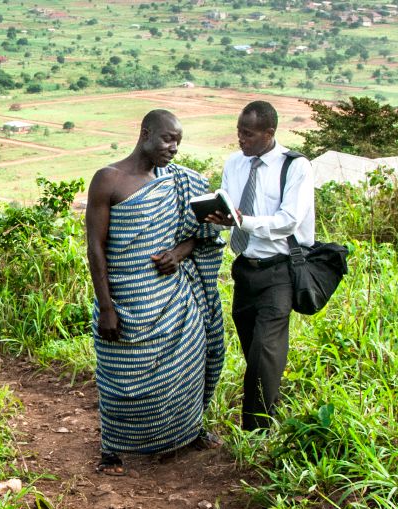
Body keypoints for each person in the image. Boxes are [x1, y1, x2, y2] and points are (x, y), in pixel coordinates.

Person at [84, 110, 226, 476]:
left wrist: (179, 253)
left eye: (178, 141)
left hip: (173, 299)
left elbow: (203, 234)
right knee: (120, 378)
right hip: (126, 300)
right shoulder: (108, 179)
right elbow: (95, 249)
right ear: (145, 132)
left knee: (187, 366)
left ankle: (189, 430)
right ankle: (112, 449)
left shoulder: (179, 182)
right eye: (167, 139)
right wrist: (106, 307)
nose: (174, 148)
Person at [206, 100, 315, 430]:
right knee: (254, 349)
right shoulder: (235, 164)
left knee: (264, 352)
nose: (241, 139)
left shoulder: (295, 167)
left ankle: (256, 432)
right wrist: (221, 218)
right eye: (239, 132)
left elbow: (288, 221)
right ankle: (271, 410)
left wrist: (243, 220)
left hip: (280, 269)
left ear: (269, 133)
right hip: (245, 269)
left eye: (248, 134)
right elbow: (231, 210)